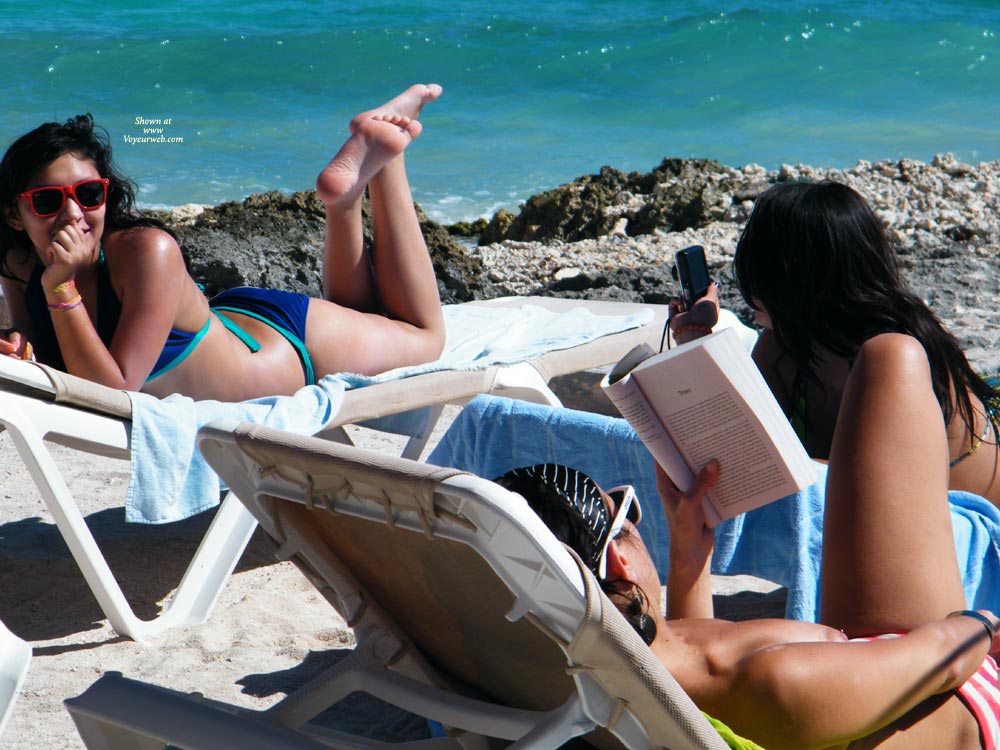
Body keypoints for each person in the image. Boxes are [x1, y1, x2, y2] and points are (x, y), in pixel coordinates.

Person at [497, 334, 999, 750]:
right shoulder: (774, 684)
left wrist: (689, 551)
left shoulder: (618, 662)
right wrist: (984, 622)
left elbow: (698, 656)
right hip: (966, 694)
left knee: (887, 361)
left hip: (883, 672)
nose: (638, 519)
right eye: (628, 514)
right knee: (895, 358)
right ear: (619, 561)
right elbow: (951, 652)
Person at [0, 84, 446, 401]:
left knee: (425, 337)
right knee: (369, 315)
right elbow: (47, 349)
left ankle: (389, 160)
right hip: (234, 326)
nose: (74, 213)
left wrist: (61, 286)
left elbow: (114, 393)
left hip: (292, 349)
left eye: (89, 193)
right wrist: (21, 348)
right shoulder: (20, 265)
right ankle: (346, 198)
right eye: (47, 200)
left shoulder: (145, 252)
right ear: (13, 216)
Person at [669, 179, 1000, 505]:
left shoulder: (896, 355)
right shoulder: (785, 345)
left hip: (970, 530)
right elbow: (732, 442)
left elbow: (874, 485)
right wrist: (694, 338)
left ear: (791, 282)